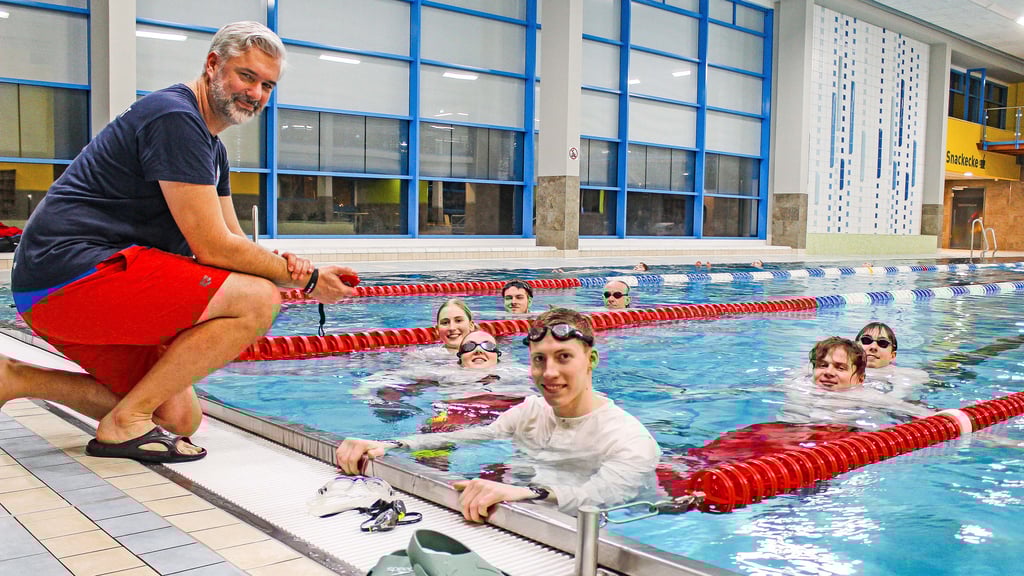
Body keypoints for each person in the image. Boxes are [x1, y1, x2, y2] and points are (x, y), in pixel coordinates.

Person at [1, 22, 357, 464]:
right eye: (246, 76)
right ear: (212, 65)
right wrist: (305, 283)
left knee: (178, 417)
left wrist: (295, 268)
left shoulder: (213, 148)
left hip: (70, 282)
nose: (257, 93)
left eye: (267, 85)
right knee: (257, 300)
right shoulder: (176, 118)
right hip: (67, 279)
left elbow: (234, 245)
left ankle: (14, 378)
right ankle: (123, 425)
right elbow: (214, 249)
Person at [336, 308, 661, 520]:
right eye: (539, 360)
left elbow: (600, 497)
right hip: (537, 518)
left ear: (591, 361)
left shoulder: (628, 439)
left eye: (564, 357)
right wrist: (390, 445)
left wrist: (523, 493)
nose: (549, 373)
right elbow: (478, 433)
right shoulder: (533, 410)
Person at [855, 322, 929, 390]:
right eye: (866, 340)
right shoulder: (845, 371)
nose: (873, 347)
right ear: (854, 347)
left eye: (883, 343)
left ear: (892, 356)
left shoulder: (911, 376)